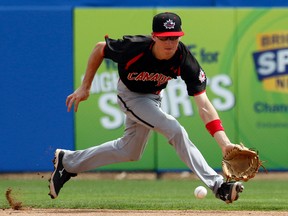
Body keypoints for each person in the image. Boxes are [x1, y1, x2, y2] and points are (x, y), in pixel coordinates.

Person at [48, 12, 244, 203]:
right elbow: (100, 49)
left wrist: (224, 143)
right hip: (130, 95)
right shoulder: (135, 48)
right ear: (154, 37)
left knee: (130, 151)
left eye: (174, 38)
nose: (169, 43)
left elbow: (204, 105)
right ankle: (218, 185)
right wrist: (85, 87)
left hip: (153, 97)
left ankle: (68, 162)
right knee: (174, 129)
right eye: (164, 38)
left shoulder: (184, 59)